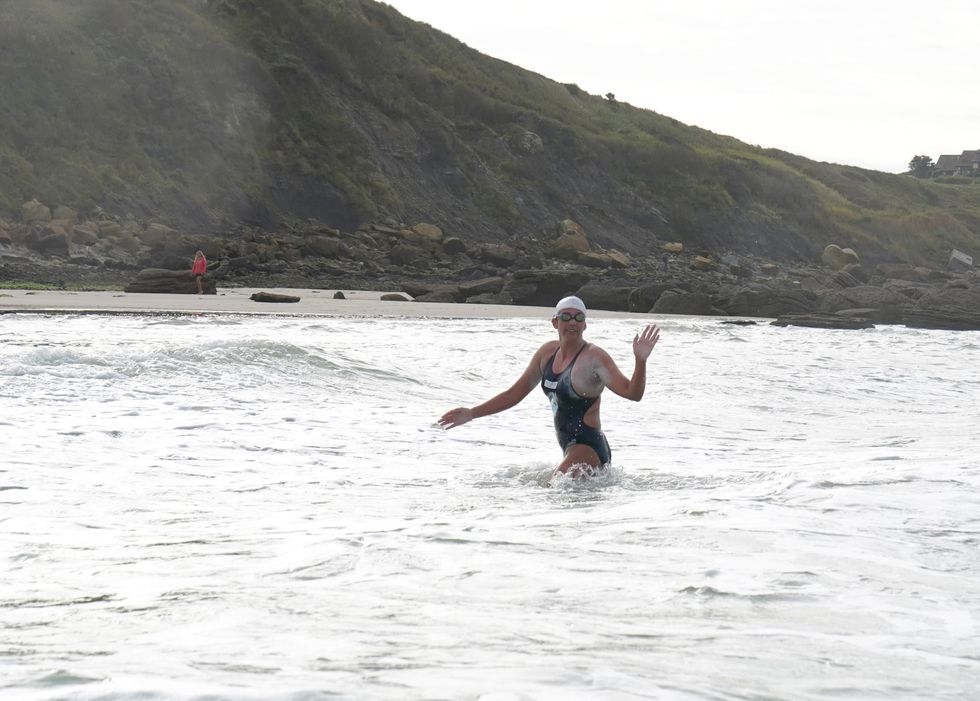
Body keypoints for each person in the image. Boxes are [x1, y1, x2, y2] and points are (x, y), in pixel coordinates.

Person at [439, 296, 660, 477]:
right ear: (555, 322)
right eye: (566, 317)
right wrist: (471, 413)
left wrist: (640, 361)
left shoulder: (595, 358)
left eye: (578, 317)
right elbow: (514, 394)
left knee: (554, 487)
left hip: (589, 448)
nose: (572, 322)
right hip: (569, 449)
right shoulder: (546, 354)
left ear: (585, 324)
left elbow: (633, 393)